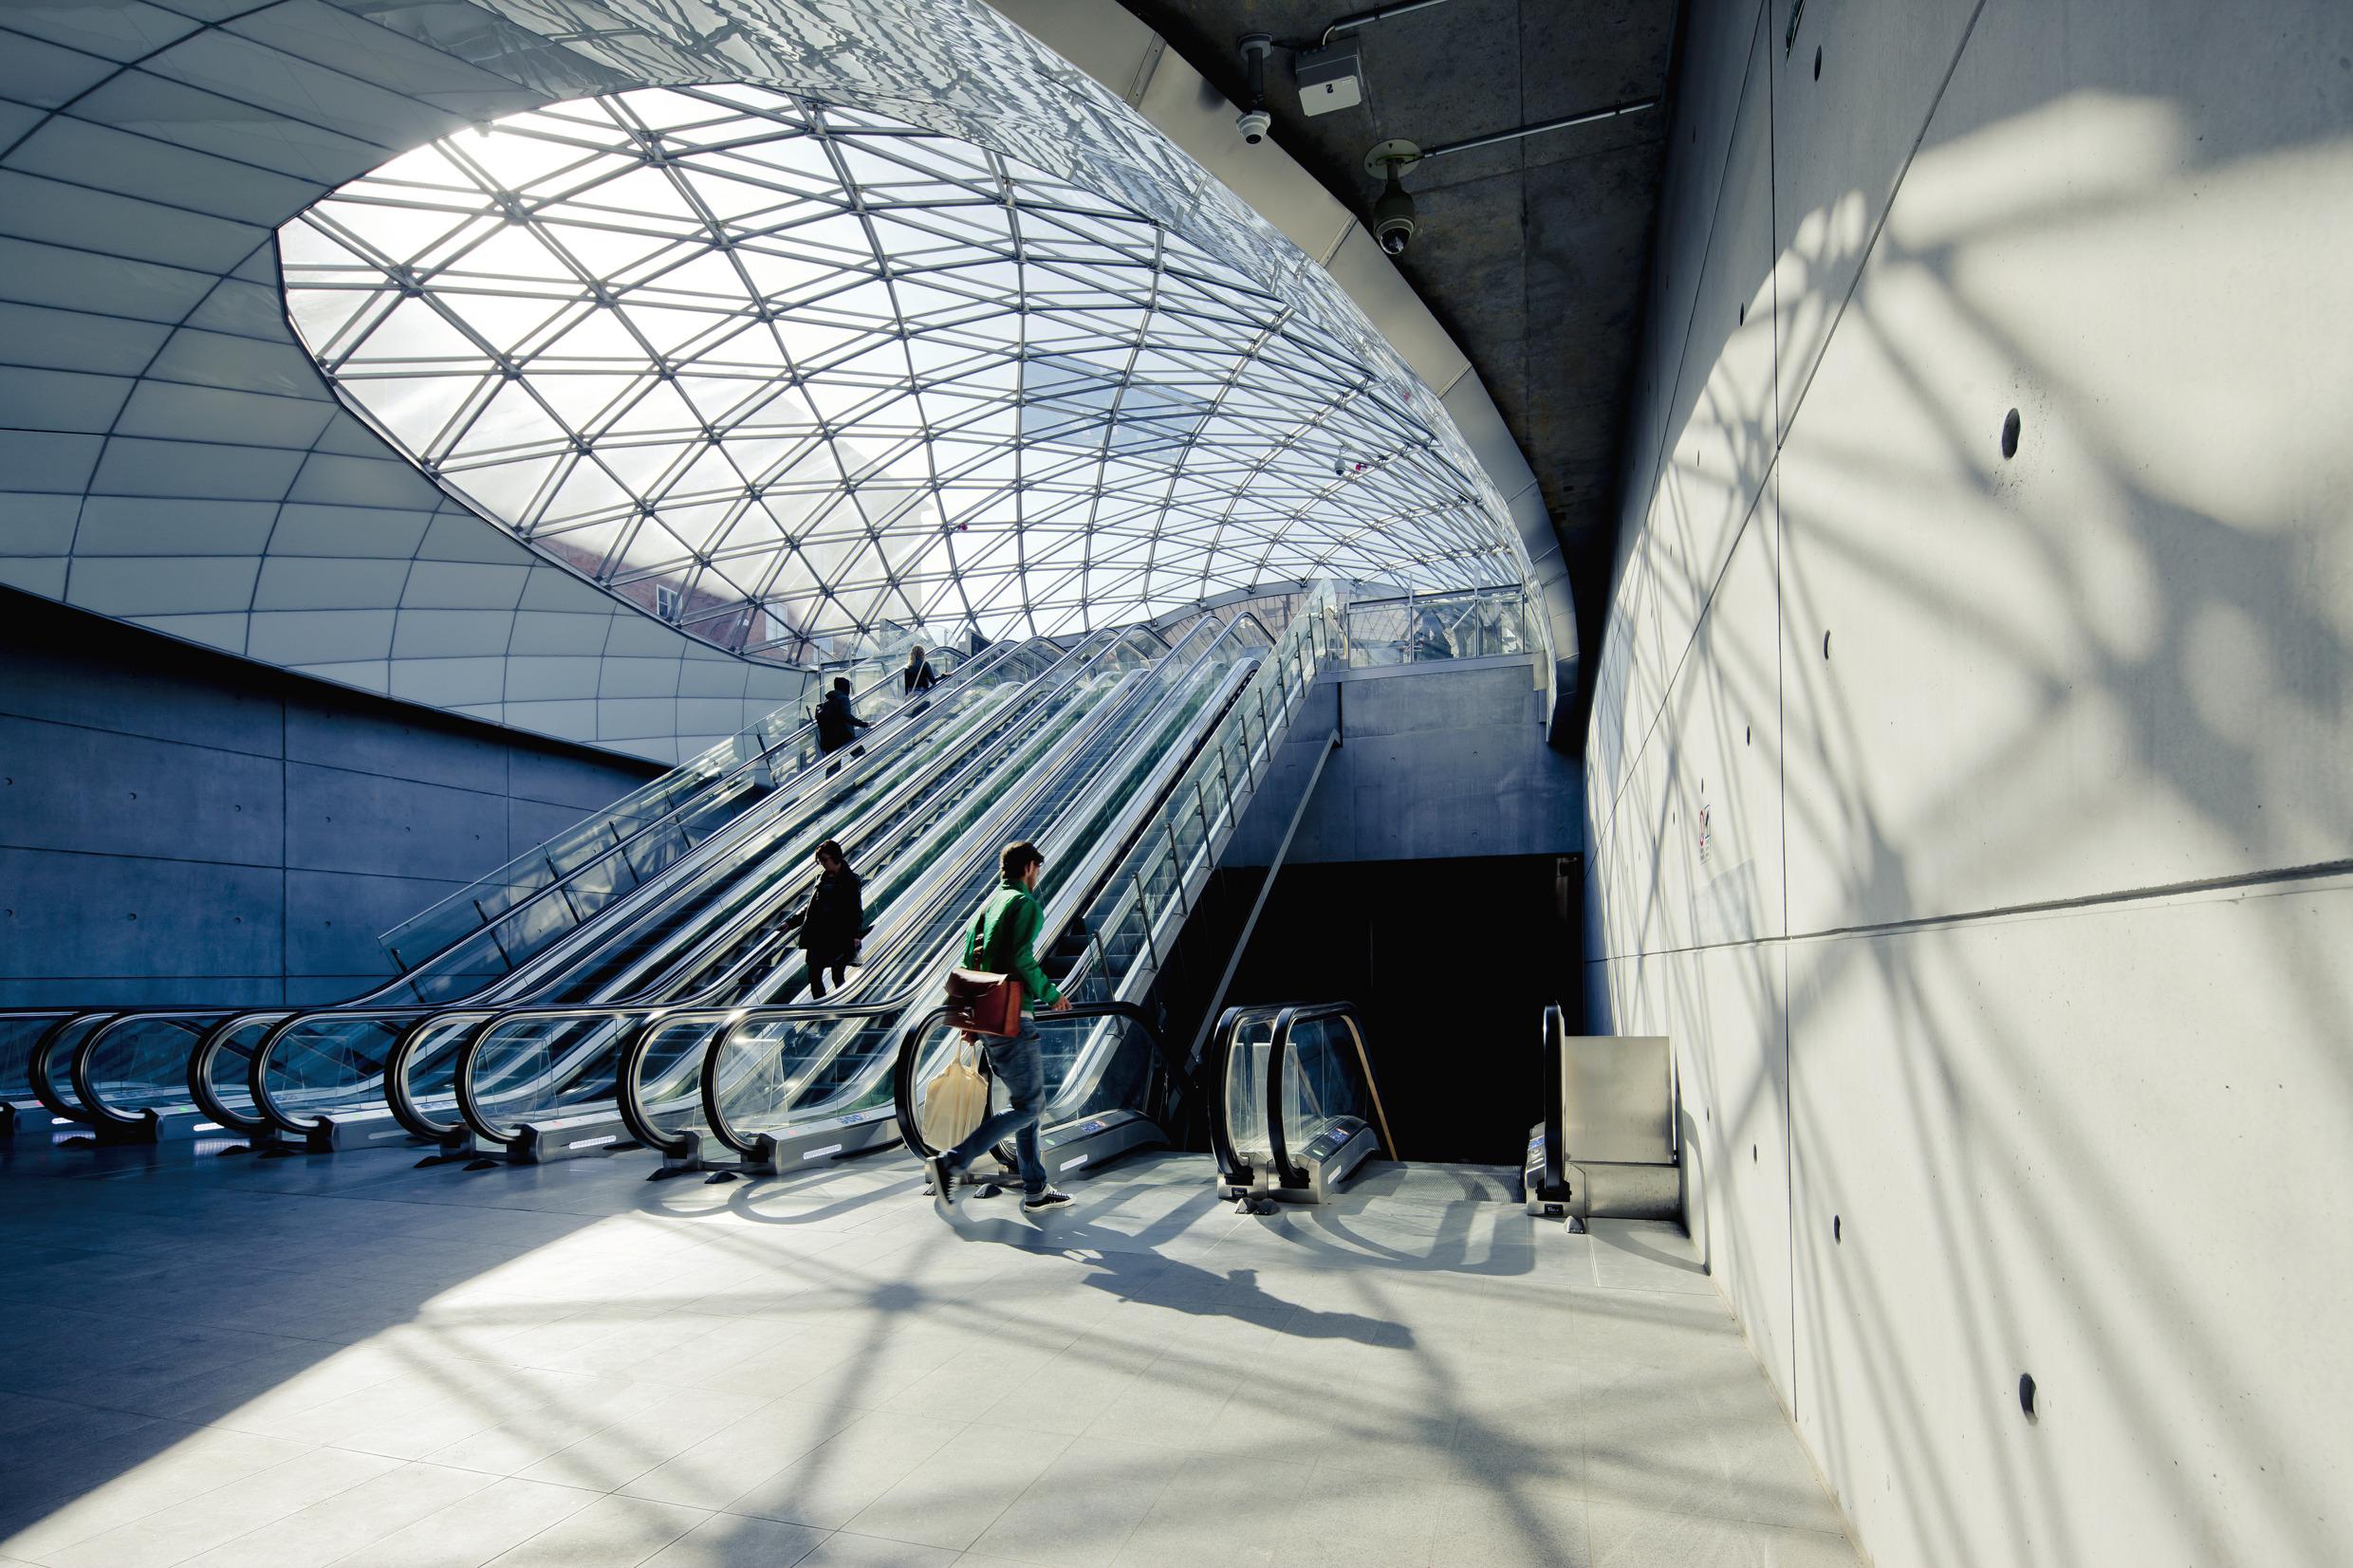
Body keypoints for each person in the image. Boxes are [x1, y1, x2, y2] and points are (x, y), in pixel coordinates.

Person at [926, 839, 1074, 1214]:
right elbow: (1022, 957)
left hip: (987, 1015)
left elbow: (967, 962)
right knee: (1031, 1105)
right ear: (1029, 868)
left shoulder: (987, 906)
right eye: (1037, 868)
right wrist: (1051, 993)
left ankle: (1035, 1188)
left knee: (1025, 1103)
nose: (1037, 875)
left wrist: (970, 1019)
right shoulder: (1024, 904)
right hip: (1013, 1016)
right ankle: (952, 1162)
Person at [798, 839, 862, 1000]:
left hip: (838, 936)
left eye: (825, 860)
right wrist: (791, 922)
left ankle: (848, 1005)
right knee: (814, 977)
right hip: (817, 935)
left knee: (837, 977)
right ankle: (823, 1012)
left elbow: (855, 909)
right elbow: (812, 907)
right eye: (820, 861)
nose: (823, 864)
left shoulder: (850, 880)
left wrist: (855, 935)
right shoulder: (822, 878)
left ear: (836, 857)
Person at [813, 675, 870, 768]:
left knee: (833, 767)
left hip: (829, 740)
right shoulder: (843, 698)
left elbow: (819, 718)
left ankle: (831, 783)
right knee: (861, 755)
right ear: (845, 687)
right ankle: (865, 778)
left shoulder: (826, 702)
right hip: (844, 737)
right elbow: (847, 716)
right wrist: (865, 724)